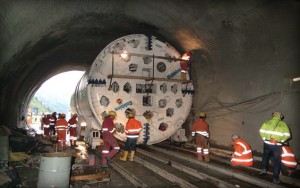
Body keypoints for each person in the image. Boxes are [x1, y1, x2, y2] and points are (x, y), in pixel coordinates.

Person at [259, 112, 291, 184]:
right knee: (277, 161)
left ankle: (264, 169)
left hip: (267, 144)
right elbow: (287, 135)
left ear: (273, 116)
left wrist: (264, 139)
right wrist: (280, 141)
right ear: (280, 117)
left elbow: (261, 131)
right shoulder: (283, 124)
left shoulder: (267, 122)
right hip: (277, 145)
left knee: (265, 156)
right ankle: (275, 178)